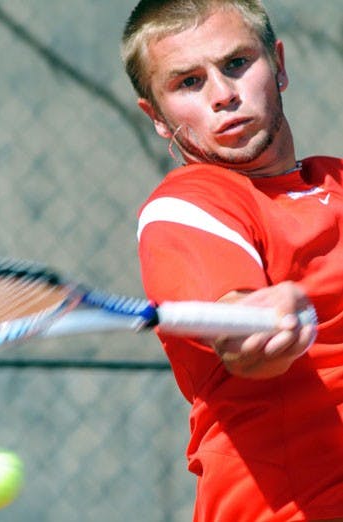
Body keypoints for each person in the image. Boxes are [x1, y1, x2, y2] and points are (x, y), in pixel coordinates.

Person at [121, 1, 343, 520]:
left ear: (279, 65)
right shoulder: (189, 205)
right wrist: (259, 328)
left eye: (237, 64)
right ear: (156, 116)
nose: (223, 95)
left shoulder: (335, 180)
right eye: (189, 83)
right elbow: (243, 338)